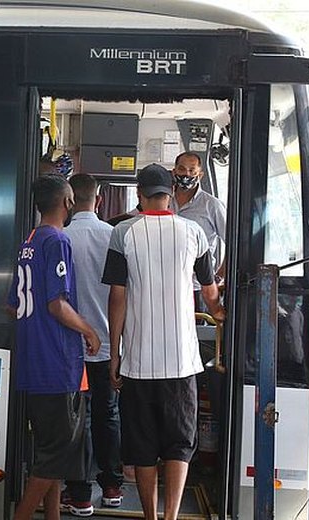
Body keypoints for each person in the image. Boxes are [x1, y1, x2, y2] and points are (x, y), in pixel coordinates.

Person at [101, 164, 225, 520]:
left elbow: (118, 298)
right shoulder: (194, 232)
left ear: (139, 195)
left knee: (141, 447)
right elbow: (210, 292)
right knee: (179, 445)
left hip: (138, 363)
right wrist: (219, 313)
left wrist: (115, 355)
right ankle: (171, 516)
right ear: (171, 191)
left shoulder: (123, 233)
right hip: (182, 363)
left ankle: (150, 517)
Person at [7, 175, 100, 520]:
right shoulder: (57, 241)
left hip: (32, 362)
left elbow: (12, 304)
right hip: (57, 364)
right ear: (66, 203)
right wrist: (88, 330)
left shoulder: (28, 242)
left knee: (50, 452)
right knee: (55, 455)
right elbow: (56, 304)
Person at [60, 174, 123, 516]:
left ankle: (79, 493)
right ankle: (112, 486)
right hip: (108, 345)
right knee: (108, 414)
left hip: (71, 347)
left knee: (78, 420)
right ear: (98, 201)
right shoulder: (113, 237)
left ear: (69, 200)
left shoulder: (62, 239)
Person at [169, 152, 227, 286]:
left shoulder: (212, 205)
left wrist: (218, 278)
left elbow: (233, 244)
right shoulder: (163, 200)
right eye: (182, 169)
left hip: (198, 286)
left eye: (192, 170)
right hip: (167, 283)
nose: (186, 175)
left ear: (200, 174)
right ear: (174, 172)